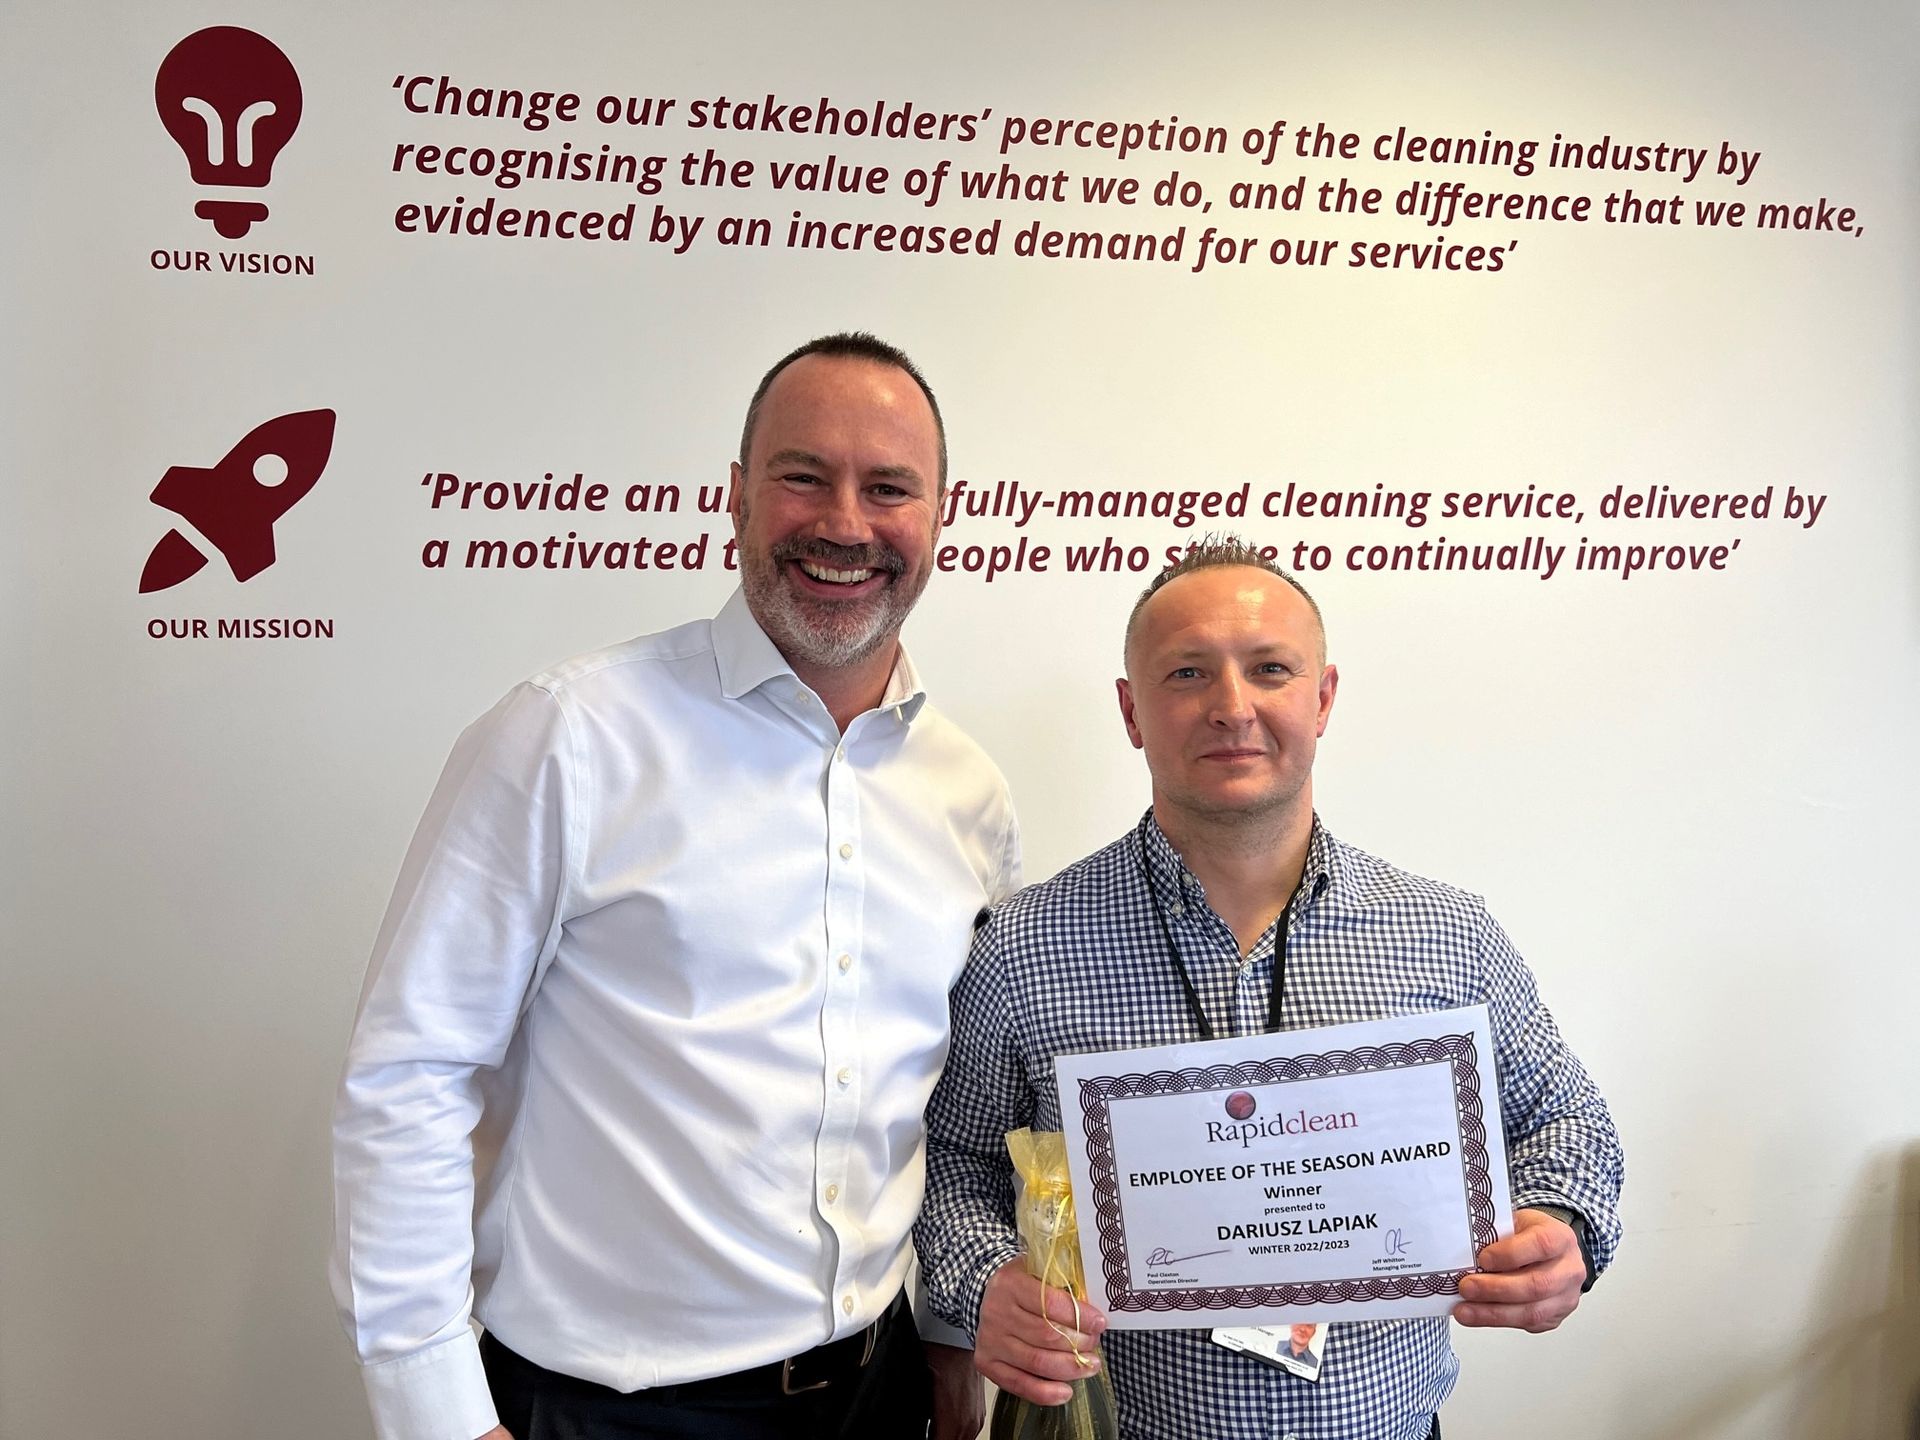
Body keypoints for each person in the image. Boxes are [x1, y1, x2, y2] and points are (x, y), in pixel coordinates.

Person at [332, 333, 1019, 1440]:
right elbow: (408, 1077)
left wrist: (945, 1342)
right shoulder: (568, 735)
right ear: (736, 497)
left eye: (888, 487)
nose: (845, 523)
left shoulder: (969, 791)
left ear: (940, 515)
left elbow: (947, 1101)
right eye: (803, 476)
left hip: (881, 1396)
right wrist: (439, 1414)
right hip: (614, 1415)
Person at [916, 536, 1623, 1440]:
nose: (1231, 706)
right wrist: (986, 1283)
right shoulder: (1026, 945)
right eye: (1186, 675)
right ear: (1132, 712)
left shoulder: (1449, 936)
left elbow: (1568, 1122)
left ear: (1323, 699)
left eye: (1271, 669)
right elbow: (954, 1165)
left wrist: (1560, 1227)